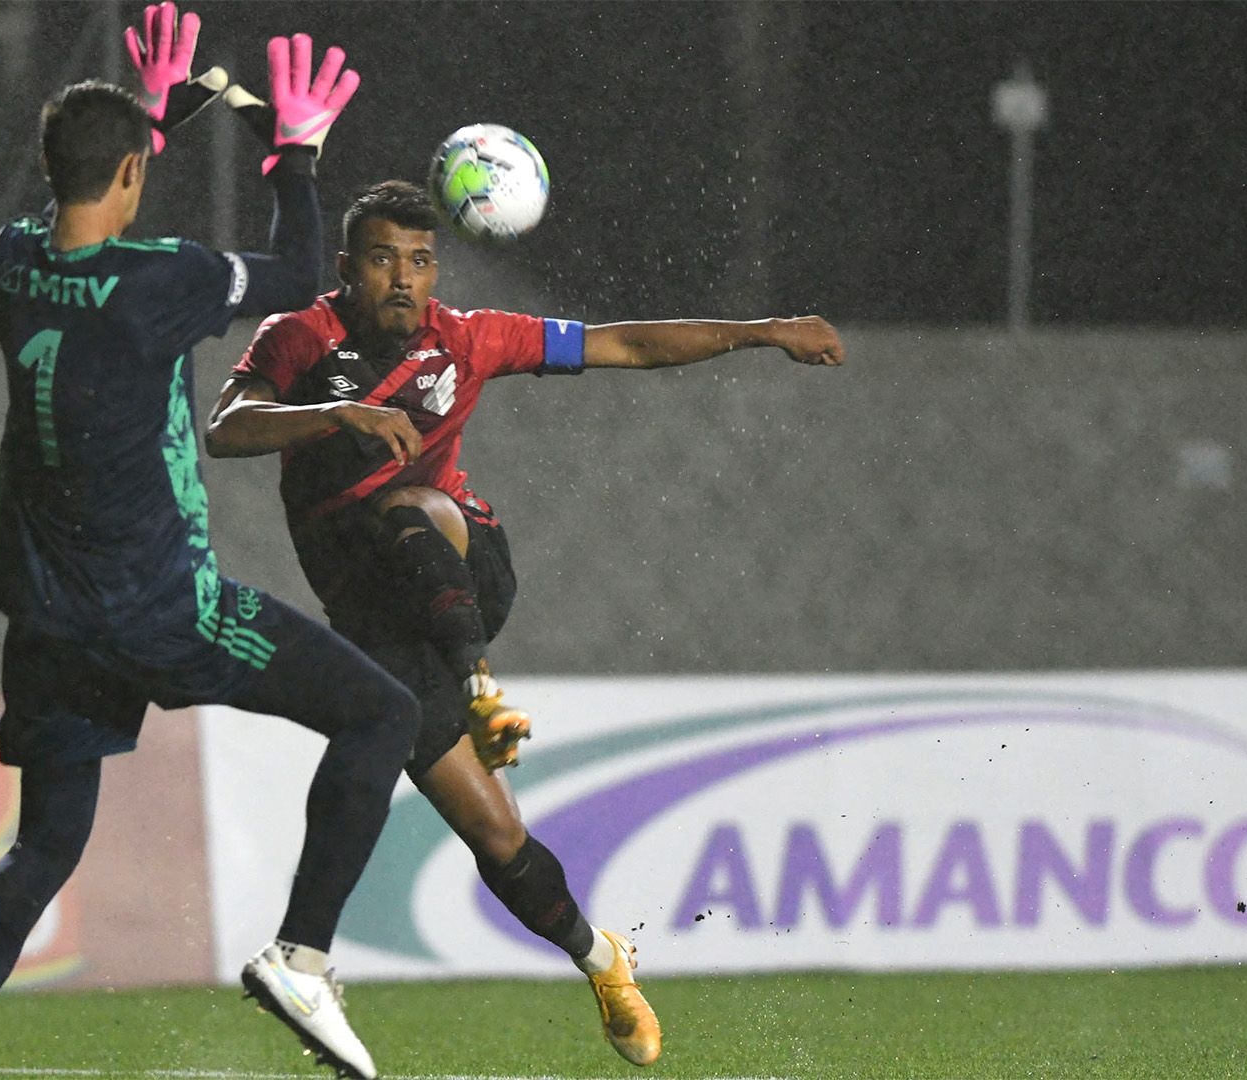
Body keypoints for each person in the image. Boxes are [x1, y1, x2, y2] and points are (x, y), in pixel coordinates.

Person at [204, 179, 845, 1067]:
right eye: (384, 259)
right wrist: (335, 413)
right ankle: (601, 958)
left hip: (464, 568)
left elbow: (622, 343)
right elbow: (225, 427)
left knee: (410, 504)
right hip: (380, 623)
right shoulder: (301, 338)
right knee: (497, 839)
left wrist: (761, 332)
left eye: (421, 261)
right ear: (348, 267)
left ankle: (479, 683)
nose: (404, 279)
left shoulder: (468, 339)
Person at [0, 12, 412, 1080]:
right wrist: (296, 153)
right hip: (169, 613)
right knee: (383, 713)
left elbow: (77, 210)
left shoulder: (10, 264)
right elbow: (302, 271)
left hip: (48, 621)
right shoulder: (159, 280)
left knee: (43, 848)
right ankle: (302, 956)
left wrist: (153, 122)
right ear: (131, 176)